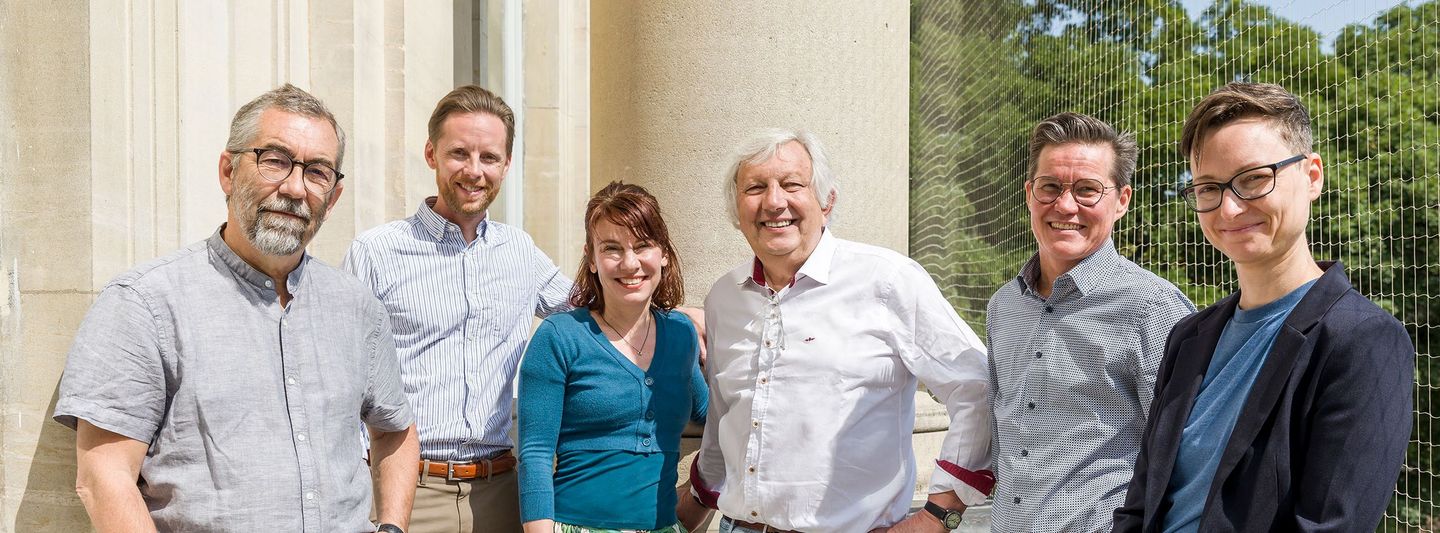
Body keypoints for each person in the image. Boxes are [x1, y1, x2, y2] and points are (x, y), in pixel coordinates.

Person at [52, 84, 419, 532]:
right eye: (274, 161)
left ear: (334, 197)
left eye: (318, 172)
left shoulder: (358, 308)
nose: (295, 187)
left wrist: (393, 527)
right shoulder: (145, 305)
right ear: (228, 171)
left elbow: (394, 430)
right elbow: (103, 477)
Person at [1112, 82, 1414, 532]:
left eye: (1254, 179)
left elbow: (1331, 525)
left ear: (1312, 176)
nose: (1229, 209)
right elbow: (1140, 504)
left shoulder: (1362, 340)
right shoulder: (1188, 337)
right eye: (1208, 188)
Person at [681, 129, 992, 533]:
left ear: (827, 201)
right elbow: (727, 422)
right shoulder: (724, 298)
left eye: (792, 184)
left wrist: (937, 516)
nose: (774, 201)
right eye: (755, 187)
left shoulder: (887, 281)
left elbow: (978, 385)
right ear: (736, 211)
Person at [344, 85, 572, 532]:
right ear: (431, 154)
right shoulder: (375, 252)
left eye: (489, 157)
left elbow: (598, 311)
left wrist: (682, 315)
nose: (474, 171)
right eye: (459, 153)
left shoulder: (519, 251)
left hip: (504, 494)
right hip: (409, 495)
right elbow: (343, 372)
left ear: (507, 164)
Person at [986, 113, 1194, 532]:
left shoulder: (1153, 309)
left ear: (1122, 201)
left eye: (1087, 190)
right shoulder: (1003, 307)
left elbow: (1188, 458)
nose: (1065, 206)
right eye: (1050, 187)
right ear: (1029, 194)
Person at [516, 181, 708, 533]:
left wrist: (701, 498)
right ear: (591, 258)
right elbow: (535, 455)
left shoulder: (681, 334)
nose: (629, 263)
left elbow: (714, 417)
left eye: (643, 246)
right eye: (612, 248)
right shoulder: (559, 337)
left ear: (663, 253)